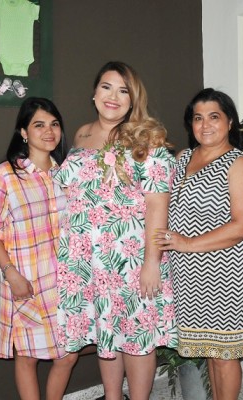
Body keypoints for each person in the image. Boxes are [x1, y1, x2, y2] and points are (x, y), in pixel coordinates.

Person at [54, 61, 177, 400]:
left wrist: (152, 262)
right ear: (94, 93)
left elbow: (157, 205)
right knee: (107, 334)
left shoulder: (147, 139)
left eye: (124, 90)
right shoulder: (80, 134)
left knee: (137, 338)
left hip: (131, 259)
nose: (114, 96)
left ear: (133, 99)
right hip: (89, 261)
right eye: (107, 87)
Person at [155, 88, 243, 400]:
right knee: (211, 352)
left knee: (225, 354)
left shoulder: (239, 164)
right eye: (198, 118)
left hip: (227, 272)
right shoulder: (183, 158)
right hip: (189, 275)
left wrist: (189, 244)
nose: (205, 125)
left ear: (229, 122)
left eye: (214, 117)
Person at [0, 97, 78, 400]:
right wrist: (11, 274)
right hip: (26, 281)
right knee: (28, 355)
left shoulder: (67, 174)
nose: (49, 131)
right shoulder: (4, 175)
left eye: (54, 124)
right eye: (39, 125)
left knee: (68, 355)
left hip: (66, 282)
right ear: (23, 131)